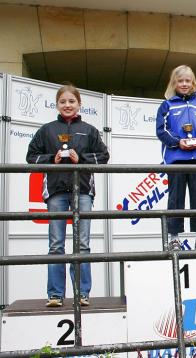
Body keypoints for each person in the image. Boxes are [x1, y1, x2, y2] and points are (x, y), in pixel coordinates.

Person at [26, 84, 110, 307]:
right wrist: (49, 160)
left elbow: (104, 157)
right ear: (57, 105)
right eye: (63, 101)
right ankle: (55, 295)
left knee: (82, 245)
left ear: (79, 104)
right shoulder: (47, 130)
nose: (67, 105)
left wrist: (80, 158)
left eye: (71, 101)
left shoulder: (90, 130)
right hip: (55, 192)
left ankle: (82, 293)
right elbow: (31, 157)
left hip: (82, 191)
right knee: (56, 244)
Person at [156, 65, 196, 251]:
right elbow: (161, 130)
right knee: (175, 199)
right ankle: (173, 239)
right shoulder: (167, 105)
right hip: (176, 158)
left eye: (188, 81)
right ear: (173, 83)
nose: (184, 84)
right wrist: (178, 142)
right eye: (180, 81)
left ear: (193, 83)